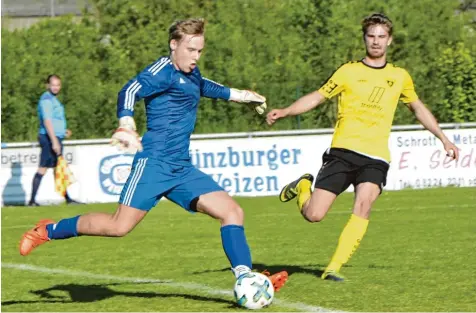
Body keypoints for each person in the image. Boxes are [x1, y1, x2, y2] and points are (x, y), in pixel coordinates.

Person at [19, 18, 288, 291]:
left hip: (181, 169)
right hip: (154, 165)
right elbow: (130, 90)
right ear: (174, 45)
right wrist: (126, 123)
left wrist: (242, 96)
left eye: (200, 51)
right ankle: (48, 230)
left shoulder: (191, 73)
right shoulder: (163, 70)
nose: (195, 56)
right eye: (191, 49)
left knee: (232, 211)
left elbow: (205, 86)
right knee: (118, 227)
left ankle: (245, 277)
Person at [266, 13, 459, 281]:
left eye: (381, 36)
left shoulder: (400, 76)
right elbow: (318, 96)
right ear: (365, 39)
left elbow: (417, 108)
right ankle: (302, 187)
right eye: (371, 36)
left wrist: (444, 138)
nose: (376, 42)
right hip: (343, 152)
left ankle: (333, 268)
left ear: (390, 40)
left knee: (364, 205)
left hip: (376, 157)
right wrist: (286, 111)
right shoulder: (348, 71)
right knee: (314, 215)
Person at [28, 74, 81, 206]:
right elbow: (47, 121)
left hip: (54, 137)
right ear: (48, 86)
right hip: (49, 138)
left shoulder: (53, 99)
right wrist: (54, 141)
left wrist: (63, 132)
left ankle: (67, 199)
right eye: (53, 85)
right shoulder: (46, 100)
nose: (56, 87)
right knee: (43, 168)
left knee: (58, 168)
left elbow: (55, 120)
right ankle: (32, 201)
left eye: (58, 85)